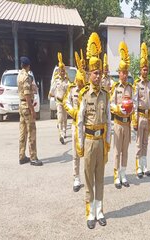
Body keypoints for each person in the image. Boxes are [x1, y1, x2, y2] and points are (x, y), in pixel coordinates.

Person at [76, 32, 111, 229]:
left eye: (100, 73)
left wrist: (108, 142)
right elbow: (80, 122)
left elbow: (109, 120)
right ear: (89, 74)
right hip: (89, 141)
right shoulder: (84, 94)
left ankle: (100, 210)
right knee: (88, 178)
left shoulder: (106, 95)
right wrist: (80, 145)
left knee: (100, 178)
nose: (98, 76)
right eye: (95, 73)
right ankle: (90, 212)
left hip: (101, 142)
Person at [110, 41, 133, 189]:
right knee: (117, 151)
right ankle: (116, 175)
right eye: (121, 72)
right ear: (118, 73)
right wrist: (118, 108)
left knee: (125, 151)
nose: (123, 75)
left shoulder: (131, 88)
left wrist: (132, 109)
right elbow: (110, 105)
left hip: (127, 123)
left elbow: (135, 104)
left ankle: (123, 175)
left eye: (126, 73)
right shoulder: (115, 88)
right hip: (118, 123)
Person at [63, 51, 86, 192]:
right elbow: (66, 103)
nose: (80, 84)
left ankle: (89, 176)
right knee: (76, 154)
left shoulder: (88, 90)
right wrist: (74, 112)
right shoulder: (71, 90)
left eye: (82, 82)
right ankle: (76, 178)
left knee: (88, 153)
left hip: (87, 126)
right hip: (75, 125)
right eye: (79, 82)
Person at [132, 42, 150, 179]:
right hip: (139, 116)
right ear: (140, 70)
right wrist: (134, 119)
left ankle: (145, 166)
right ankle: (138, 167)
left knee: (146, 142)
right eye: (143, 69)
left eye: (147, 69)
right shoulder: (137, 84)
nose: (145, 71)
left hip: (147, 116)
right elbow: (134, 103)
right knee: (139, 142)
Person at [17, 56, 42, 166]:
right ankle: (33, 158)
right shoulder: (26, 77)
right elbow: (27, 96)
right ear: (28, 66)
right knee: (31, 132)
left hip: (21, 106)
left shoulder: (19, 75)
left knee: (23, 132)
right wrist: (32, 110)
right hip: (27, 106)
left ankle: (21, 156)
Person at [49, 52, 69, 144]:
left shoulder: (67, 81)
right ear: (58, 72)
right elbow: (51, 92)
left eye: (63, 71)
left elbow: (70, 91)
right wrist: (53, 95)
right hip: (59, 102)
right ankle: (61, 134)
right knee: (60, 117)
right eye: (60, 71)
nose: (62, 72)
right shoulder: (56, 81)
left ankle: (64, 131)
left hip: (65, 102)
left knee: (65, 118)